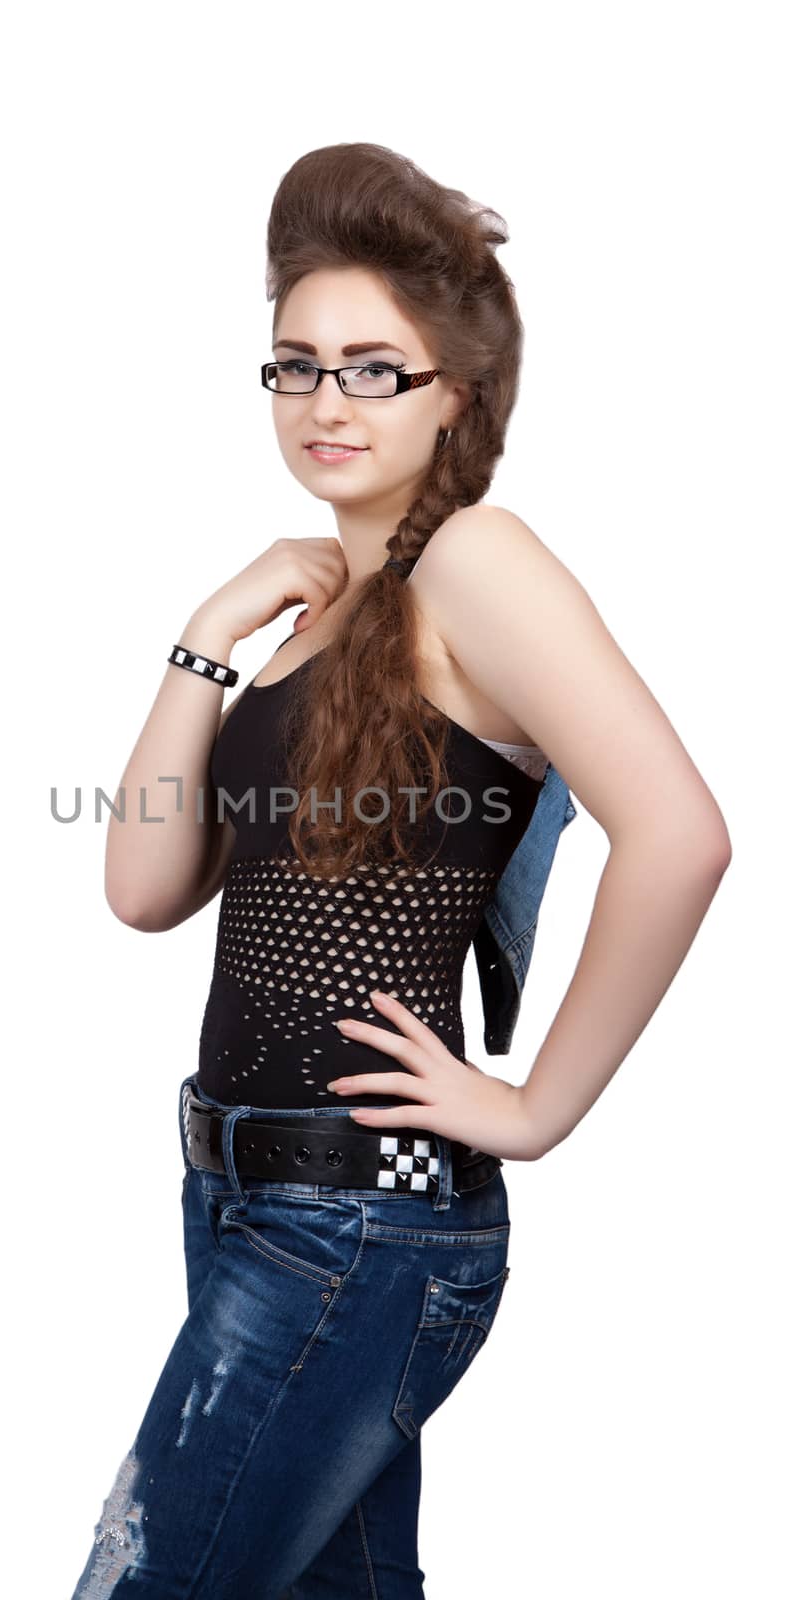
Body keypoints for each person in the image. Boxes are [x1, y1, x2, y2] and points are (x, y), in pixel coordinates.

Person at [71, 142, 731, 1599]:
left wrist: (535, 1107)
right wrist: (205, 638)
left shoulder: (476, 564)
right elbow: (141, 885)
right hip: (240, 1200)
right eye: (296, 365)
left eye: (376, 367)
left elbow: (679, 833)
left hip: (354, 1224)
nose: (326, 400)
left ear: (460, 396)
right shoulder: (324, 611)